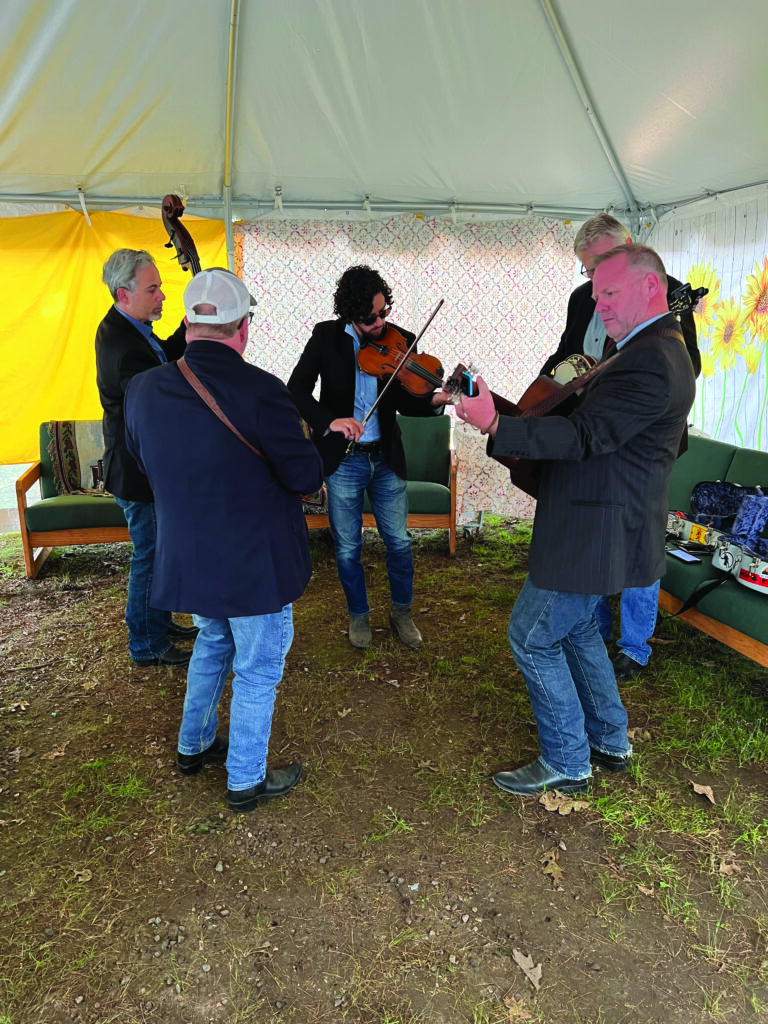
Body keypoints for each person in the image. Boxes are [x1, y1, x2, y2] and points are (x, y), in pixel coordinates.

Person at [454, 244, 695, 795]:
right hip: (603, 521)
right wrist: (502, 415)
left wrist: (497, 425)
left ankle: (567, 758)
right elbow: (587, 424)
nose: (598, 304)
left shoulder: (652, 359)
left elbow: (588, 435)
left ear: (651, 288)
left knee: (531, 636)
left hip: (596, 528)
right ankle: (610, 738)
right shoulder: (646, 347)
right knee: (581, 627)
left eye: (609, 292)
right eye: (595, 292)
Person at [123, 267, 323, 812]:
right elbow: (304, 478)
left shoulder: (142, 389)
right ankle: (244, 780)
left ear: (187, 324)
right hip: (254, 565)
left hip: (190, 558)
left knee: (213, 643)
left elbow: (143, 467)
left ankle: (193, 746)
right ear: (243, 328)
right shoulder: (263, 390)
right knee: (258, 668)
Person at [540, 214, 700, 684]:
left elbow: (688, 363)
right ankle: (596, 626)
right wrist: (554, 383)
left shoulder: (666, 290)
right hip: (593, 429)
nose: (594, 280)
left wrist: (627, 372)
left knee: (638, 533)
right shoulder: (580, 298)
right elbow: (564, 351)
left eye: (601, 266)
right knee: (600, 532)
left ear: (627, 249)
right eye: (587, 270)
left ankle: (634, 645)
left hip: (643, 438)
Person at [287, 265, 451, 650]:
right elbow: (295, 390)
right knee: (347, 547)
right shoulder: (326, 337)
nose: (380, 323)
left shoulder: (401, 341)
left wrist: (437, 400)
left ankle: (402, 613)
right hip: (344, 461)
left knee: (399, 542)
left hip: (385, 459)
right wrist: (330, 421)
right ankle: (358, 616)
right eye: (369, 318)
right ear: (349, 313)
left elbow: (411, 402)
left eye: (384, 312)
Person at [95, 249, 197, 668]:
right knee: (151, 555)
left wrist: (190, 329)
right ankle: (147, 643)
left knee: (159, 552)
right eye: (153, 289)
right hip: (138, 470)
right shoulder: (123, 345)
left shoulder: (131, 326)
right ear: (124, 293)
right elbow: (159, 391)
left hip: (144, 466)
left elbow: (163, 356)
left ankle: (158, 622)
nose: (162, 297)